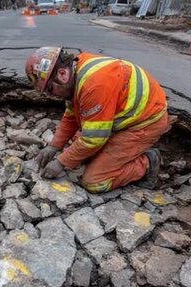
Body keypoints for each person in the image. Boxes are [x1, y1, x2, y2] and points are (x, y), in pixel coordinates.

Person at [25, 47, 169, 193]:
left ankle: (148, 162)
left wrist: (60, 162)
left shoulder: (93, 86)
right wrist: (54, 146)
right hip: (123, 118)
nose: (52, 95)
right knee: (78, 145)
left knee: (94, 182)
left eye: (50, 89)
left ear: (62, 74)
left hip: (144, 123)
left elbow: (92, 139)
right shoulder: (75, 74)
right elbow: (71, 115)